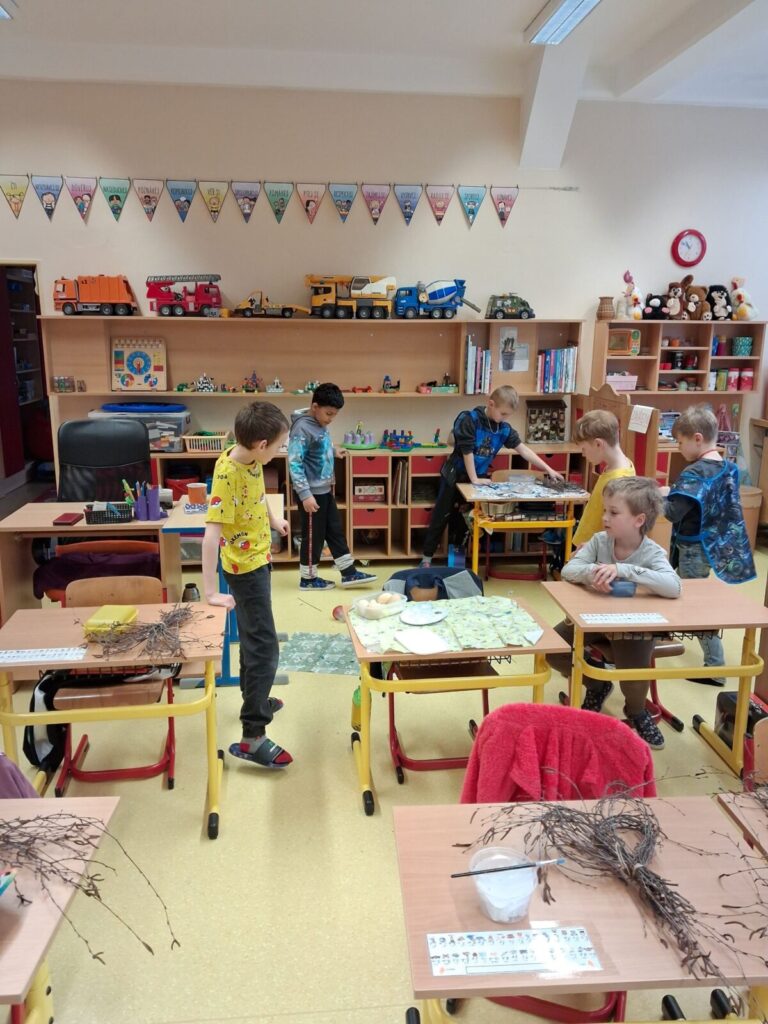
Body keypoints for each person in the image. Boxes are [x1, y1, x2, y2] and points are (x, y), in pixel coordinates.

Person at [550, 477, 681, 750]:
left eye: (613, 512)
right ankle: (597, 684)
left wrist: (624, 570)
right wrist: (593, 573)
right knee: (551, 649)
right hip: (593, 621)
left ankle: (636, 710)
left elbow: (673, 586)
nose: (605, 518)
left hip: (632, 627)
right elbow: (568, 571)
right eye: (604, 510)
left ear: (638, 520)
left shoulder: (651, 552)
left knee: (633, 673)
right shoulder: (599, 541)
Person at [202, 401, 293, 769]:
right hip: (245, 570)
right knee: (265, 649)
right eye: (278, 445)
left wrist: (273, 520)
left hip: (258, 558)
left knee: (253, 639)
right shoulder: (227, 473)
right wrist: (210, 592)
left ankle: (254, 696)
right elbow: (210, 536)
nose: (279, 451)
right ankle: (252, 735)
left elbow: (257, 495)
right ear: (261, 444)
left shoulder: (249, 457)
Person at [661, 404, 755, 687]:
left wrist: (657, 497)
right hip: (713, 544)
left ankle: (714, 667)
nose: (678, 448)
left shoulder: (696, 472)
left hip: (692, 547)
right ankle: (662, 634)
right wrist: (672, 492)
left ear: (697, 438)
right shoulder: (727, 468)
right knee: (670, 587)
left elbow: (673, 513)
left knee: (696, 605)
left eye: (680, 442)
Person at [420, 385, 563, 567]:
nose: (504, 418)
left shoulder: (503, 429)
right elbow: (467, 452)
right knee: (442, 515)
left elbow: (524, 450)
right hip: (454, 475)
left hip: (477, 478)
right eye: (503, 413)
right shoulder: (469, 420)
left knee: (466, 520)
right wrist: (474, 479)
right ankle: (426, 559)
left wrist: (549, 469)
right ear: (491, 404)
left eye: (508, 415)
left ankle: (456, 564)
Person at [288, 382, 377, 590]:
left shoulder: (319, 422)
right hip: (311, 493)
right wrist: (305, 494)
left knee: (335, 530)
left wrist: (333, 451)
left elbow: (317, 448)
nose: (331, 419)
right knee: (314, 536)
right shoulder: (302, 428)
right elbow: (294, 463)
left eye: (334, 415)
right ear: (315, 406)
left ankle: (348, 572)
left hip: (324, 489)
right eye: (328, 414)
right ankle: (308, 579)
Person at [572, 409, 635, 547]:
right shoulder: (618, 466)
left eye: (584, 449)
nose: (583, 454)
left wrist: (590, 547)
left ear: (598, 444)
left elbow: (617, 528)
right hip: (590, 545)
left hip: (595, 549)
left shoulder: (619, 479)